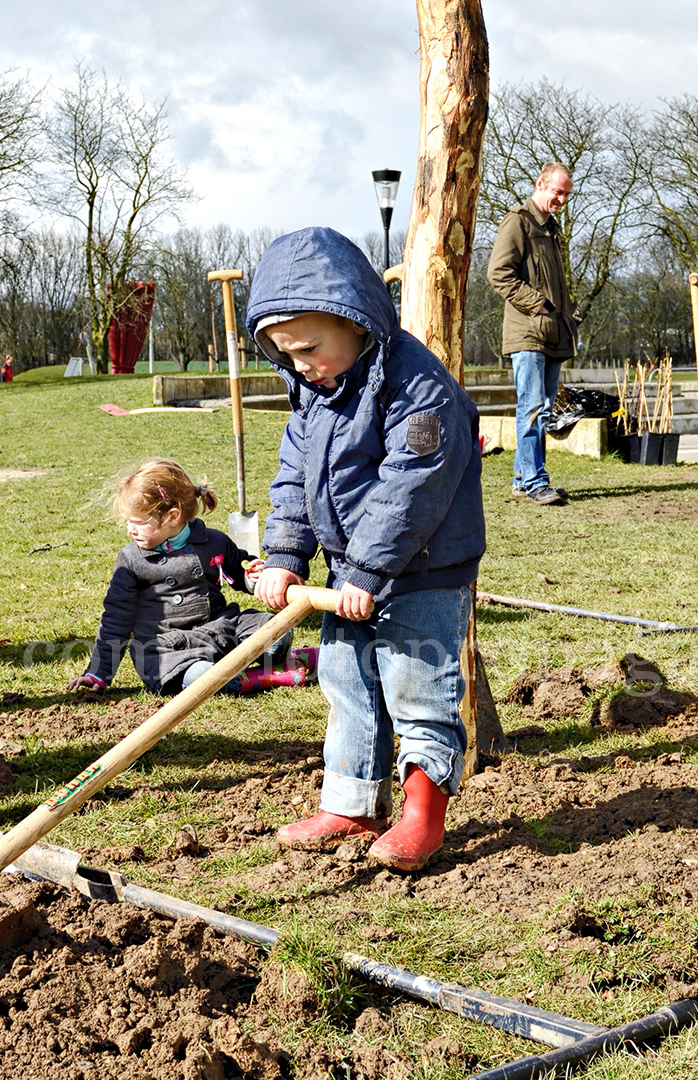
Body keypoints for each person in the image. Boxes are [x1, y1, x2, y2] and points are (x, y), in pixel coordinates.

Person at [246, 226, 485, 872]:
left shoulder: (418, 389)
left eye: (308, 348)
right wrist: (285, 558)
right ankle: (352, 801)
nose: (299, 364)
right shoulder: (314, 396)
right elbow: (294, 481)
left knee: (417, 684)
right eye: (284, 353)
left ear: (355, 320)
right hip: (349, 576)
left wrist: (367, 571)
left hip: (423, 570)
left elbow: (411, 488)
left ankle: (422, 812)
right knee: (346, 683)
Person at [68, 459, 316, 696]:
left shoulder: (213, 541)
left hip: (221, 629)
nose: (130, 530)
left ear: (173, 517)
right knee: (205, 679)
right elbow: (116, 618)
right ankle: (268, 676)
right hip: (169, 649)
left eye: (138, 522)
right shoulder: (131, 561)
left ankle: (281, 659)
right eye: (128, 522)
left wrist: (254, 575)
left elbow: (239, 572)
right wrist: (98, 672)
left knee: (278, 631)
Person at [487, 162, 577, 507]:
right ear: (540, 184)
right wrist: (537, 304)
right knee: (533, 408)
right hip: (528, 334)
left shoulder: (551, 229)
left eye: (567, 194)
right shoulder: (518, 222)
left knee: (540, 408)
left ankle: (523, 480)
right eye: (558, 191)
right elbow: (498, 273)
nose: (562, 199)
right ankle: (536, 481)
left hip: (553, 333)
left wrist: (568, 317)